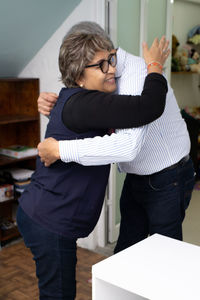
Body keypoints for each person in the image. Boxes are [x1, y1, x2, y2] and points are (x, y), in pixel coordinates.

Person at [16, 24, 169, 300]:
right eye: (101, 65)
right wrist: (155, 66)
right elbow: (149, 107)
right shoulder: (86, 104)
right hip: (49, 222)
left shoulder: (79, 101)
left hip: (42, 214)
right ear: (79, 76)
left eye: (111, 59)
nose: (112, 68)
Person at [37, 22, 195, 255]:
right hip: (137, 174)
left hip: (167, 175)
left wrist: (60, 149)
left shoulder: (138, 73)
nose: (109, 68)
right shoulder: (98, 73)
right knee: (126, 250)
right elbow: (88, 105)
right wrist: (56, 103)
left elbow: (130, 141)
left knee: (166, 255)